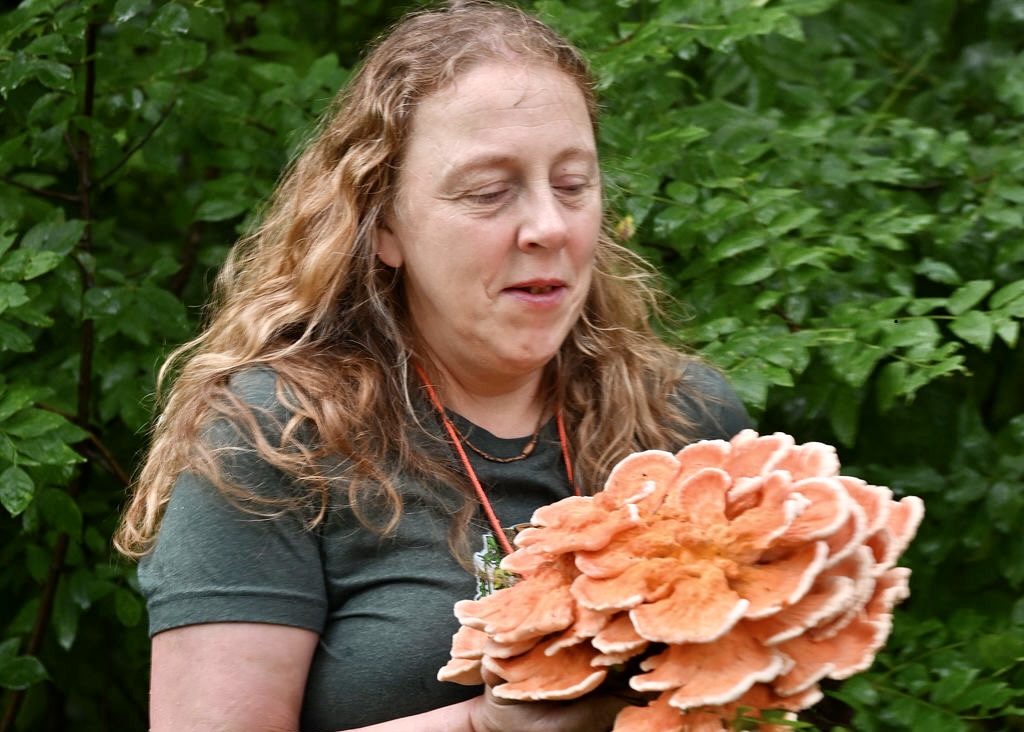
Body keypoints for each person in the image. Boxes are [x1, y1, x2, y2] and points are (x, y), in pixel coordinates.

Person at [115, 1, 751, 730]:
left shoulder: (689, 420)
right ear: (383, 225)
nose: (548, 225)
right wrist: (481, 725)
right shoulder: (274, 436)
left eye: (573, 184)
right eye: (489, 192)